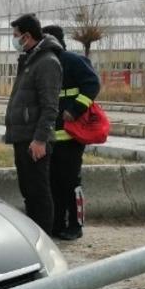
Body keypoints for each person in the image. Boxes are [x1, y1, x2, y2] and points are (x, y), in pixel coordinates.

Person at [4, 14, 63, 233]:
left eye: (16, 36)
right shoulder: (30, 59)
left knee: (38, 192)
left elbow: (50, 106)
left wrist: (40, 139)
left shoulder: (47, 62)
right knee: (28, 190)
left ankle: (44, 238)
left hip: (34, 140)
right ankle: (35, 234)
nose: (14, 40)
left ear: (27, 36)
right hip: (23, 137)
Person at [42, 24, 101, 240]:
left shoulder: (73, 61)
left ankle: (76, 225)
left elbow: (93, 84)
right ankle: (57, 224)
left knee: (70, 183)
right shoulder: (45, 63)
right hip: (50, 137)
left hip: (70, 138)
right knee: (53, 184)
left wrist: (75, 110)